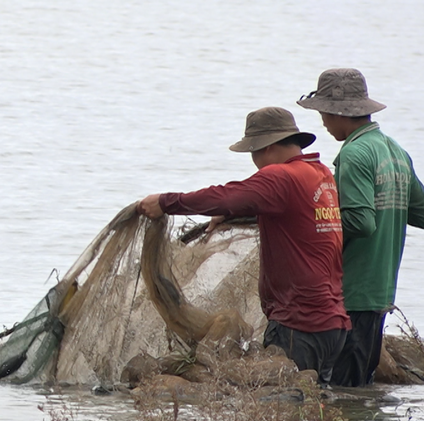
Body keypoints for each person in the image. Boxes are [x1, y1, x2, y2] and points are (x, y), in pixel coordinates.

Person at [137, 106, 351, 385]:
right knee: (317, 404)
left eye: (253, 152)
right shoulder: (320, 175)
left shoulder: (280, 177)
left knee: (288, 409)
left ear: (268, 148)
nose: (253, 161)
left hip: (299, 326)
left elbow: (225, 196)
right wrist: (238, 212)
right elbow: (295, 214)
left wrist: (166, 202)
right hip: (333, 325)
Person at [297, 68, 424, 387]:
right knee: (361, 387)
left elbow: (360, 221)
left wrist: (310, 223)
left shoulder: (353, 154)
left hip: (351, 292)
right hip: (380, 290)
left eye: (324, 114)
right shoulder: (395, 152)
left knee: (342, 391)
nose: (323, 123)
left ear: (338, 112)